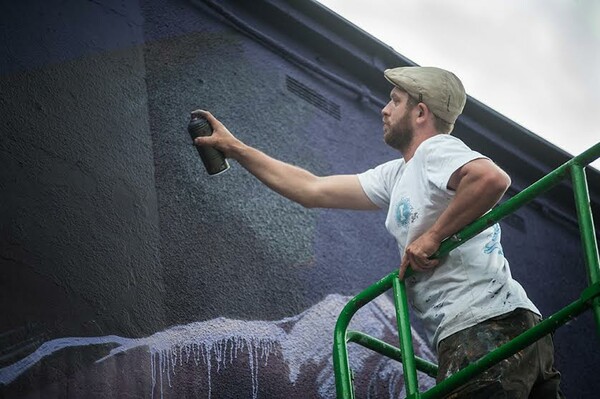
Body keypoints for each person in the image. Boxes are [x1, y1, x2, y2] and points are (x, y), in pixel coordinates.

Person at [192, 66, 563, 398]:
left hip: (485, 325)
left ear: (420, 112)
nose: (384, 110)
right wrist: (236, 149)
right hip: (503, 326)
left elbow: (491, 178)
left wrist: (431, 237)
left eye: (395, 101)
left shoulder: (437, 149)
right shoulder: (397, 174)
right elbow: (312, 189)